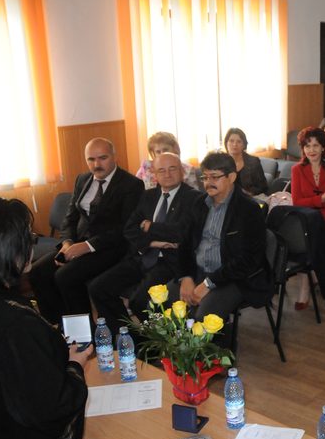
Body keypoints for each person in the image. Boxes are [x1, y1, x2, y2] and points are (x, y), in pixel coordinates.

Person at [0, 198, 93, 439]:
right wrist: (74, 365)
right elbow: (53, 407)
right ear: (8, 248)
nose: (32, 245)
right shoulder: (16, 325)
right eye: (29, 238)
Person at [29, 138, 144, 324]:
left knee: (66, 276)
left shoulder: (131, 185)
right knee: (37, 272)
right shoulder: (82, 179)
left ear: (115, 157)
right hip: (77, 244)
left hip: (111, 247)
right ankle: (59, 325)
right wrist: (67, 242)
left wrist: (87, 246)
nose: (96, 164)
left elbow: (124, 229)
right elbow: (70, 217)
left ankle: (84, 331)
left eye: (103, 158)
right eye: (91, 159)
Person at [88, 153, 204, 336]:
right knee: (98, 288)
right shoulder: (149, 196)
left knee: (139, 301)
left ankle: (156, 340)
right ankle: (127, 336)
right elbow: (129, 229)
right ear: (155, 175)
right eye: (161, 170)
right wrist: (153, 241)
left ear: (182, 171)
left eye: (172, 169)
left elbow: (181, 232)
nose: (167, 174)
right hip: (143, 254)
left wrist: (150, 226)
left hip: (169, 262)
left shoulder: (194, 198)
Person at [167, 152, 270, 321]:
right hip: (197, 271)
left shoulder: (249, 210)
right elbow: (184, 244)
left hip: (231, 277)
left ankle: (220, 336)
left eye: (215, 177)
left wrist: (209, 283)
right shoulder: (198, 204)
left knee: (203, 320)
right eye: (205, 177)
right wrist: (185, 277)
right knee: (158, 305)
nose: (208, 183)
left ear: (232, 177)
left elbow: (249, 259)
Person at [290, 127, 325, 237]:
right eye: (307, 146)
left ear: (323, 147)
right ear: (303, 148)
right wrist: (321, 199)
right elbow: (297, 202)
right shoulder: (296, 170)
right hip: (303, 221)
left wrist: (322, 216)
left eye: (315, 145)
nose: (311, 150)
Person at [134, 131, 199, 190]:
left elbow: (194, 193)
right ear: (153, 154)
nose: (162, 154)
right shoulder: (145, 168)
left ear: (175, 149)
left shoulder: (188, 169)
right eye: (158, 152)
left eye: (165, 150)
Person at [224, 127, 268, 196]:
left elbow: (263, 187)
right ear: (226, 143)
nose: (235, 144)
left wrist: (248, 193)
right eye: (231, 141)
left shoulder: (253, 162)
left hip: (249, 198)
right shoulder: (220, 162)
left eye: (239, 141)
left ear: (244, 145)